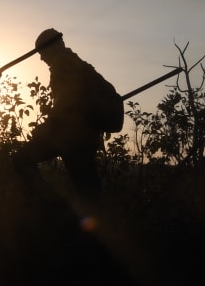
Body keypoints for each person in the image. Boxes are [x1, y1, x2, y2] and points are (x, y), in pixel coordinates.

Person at [12, 28, 123, 212]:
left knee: (20, 160)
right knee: (89, 193)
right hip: (82, 139)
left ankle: (52, 210)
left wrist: (43, 129)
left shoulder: (63, 64)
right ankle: (92, 228)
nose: (41, 58)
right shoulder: (78, 64)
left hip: (73, 139)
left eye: (42, 53)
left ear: (51, 48)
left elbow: (65, 105)